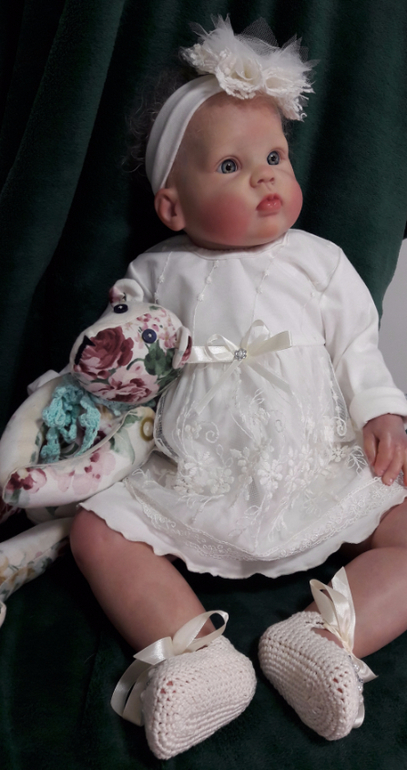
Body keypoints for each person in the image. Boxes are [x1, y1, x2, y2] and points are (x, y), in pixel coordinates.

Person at [69, 17, 407, 759]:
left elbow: (357, 343)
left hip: (314, 465)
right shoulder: (155, 271)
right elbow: (124, 354)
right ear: (172, 205)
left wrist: (382, 411)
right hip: (195, 475)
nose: (264, 177)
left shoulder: (319, 261)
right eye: (230, 166)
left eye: (274, 157)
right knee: (93, 531)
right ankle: (193, 653)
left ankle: (324, 638)